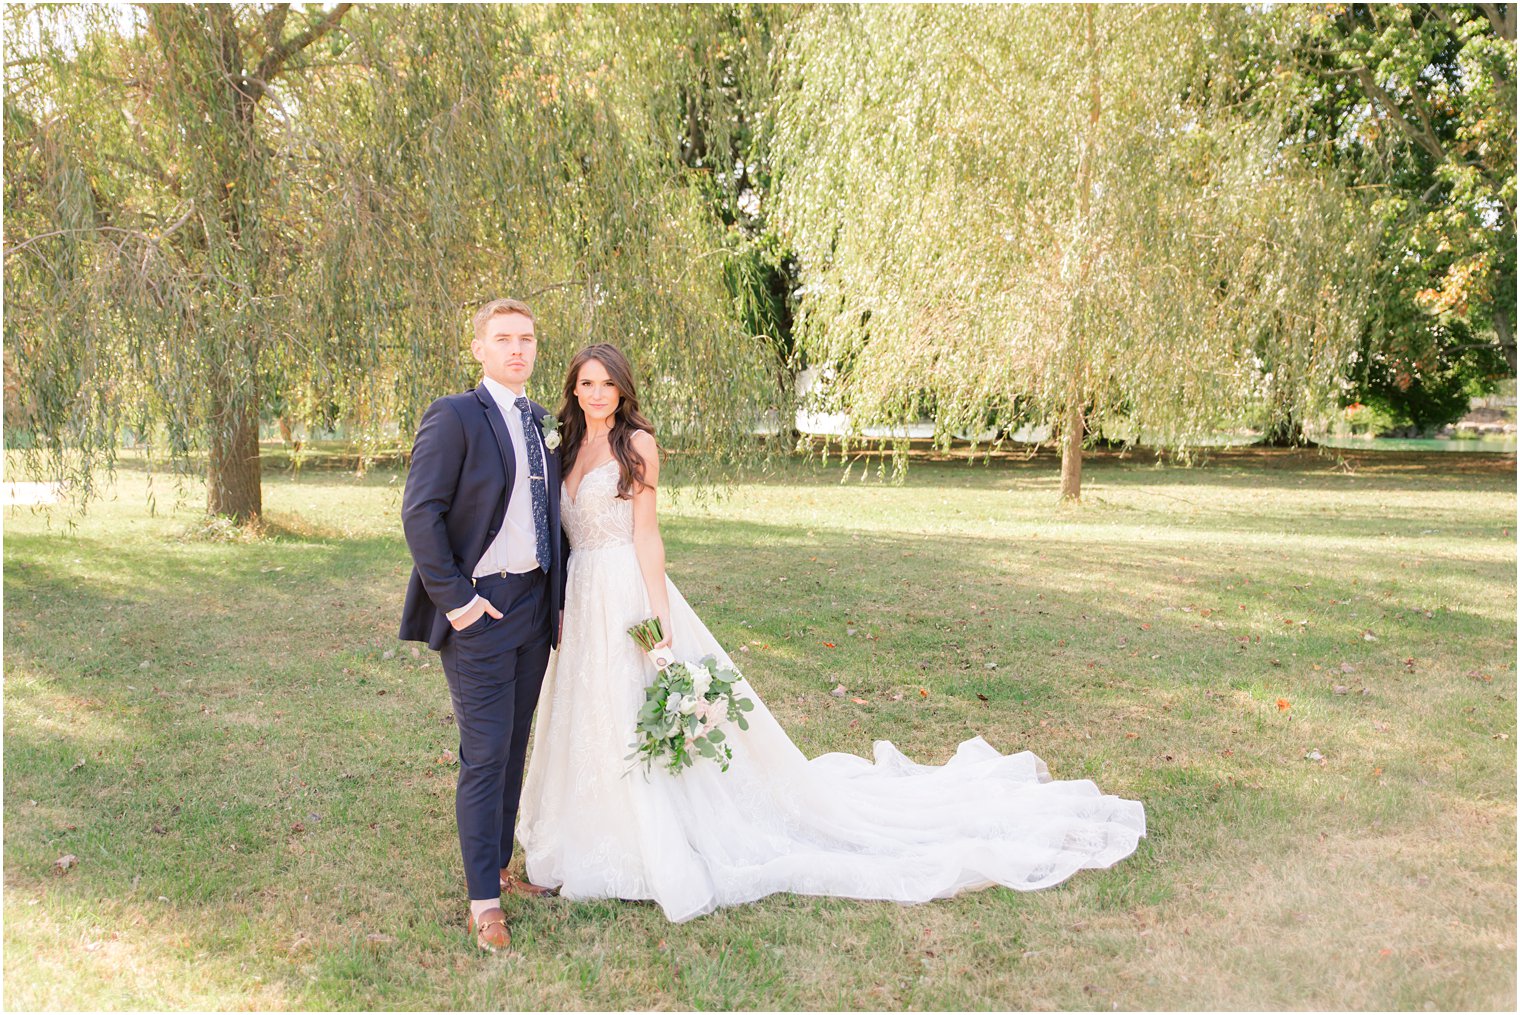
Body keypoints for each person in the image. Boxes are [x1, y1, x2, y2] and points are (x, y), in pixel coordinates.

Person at [518, 343, 1146, 923]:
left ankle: (651, 838)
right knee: (590, 712)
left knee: (636, 707)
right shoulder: (565, 449)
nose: (595, 393)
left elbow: (648, 536)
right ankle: (592, 830)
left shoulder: (639, 445)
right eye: (585, 383)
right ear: (573, 390)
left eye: (606, 383)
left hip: (628, 591)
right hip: (580, 596)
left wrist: (662, 626)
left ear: (623, 389)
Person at [399, 298, 564, 952]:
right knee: (485, 750)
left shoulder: (540, 421)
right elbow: (421, 514)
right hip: (481, 608)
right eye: (503, 338)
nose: (517, 349)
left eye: (526, 338)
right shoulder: (455, 415)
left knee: (515, 743)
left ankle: (500, 866)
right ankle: (483, 902)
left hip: (532, 604)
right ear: (480, 348)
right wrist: (460, 601)